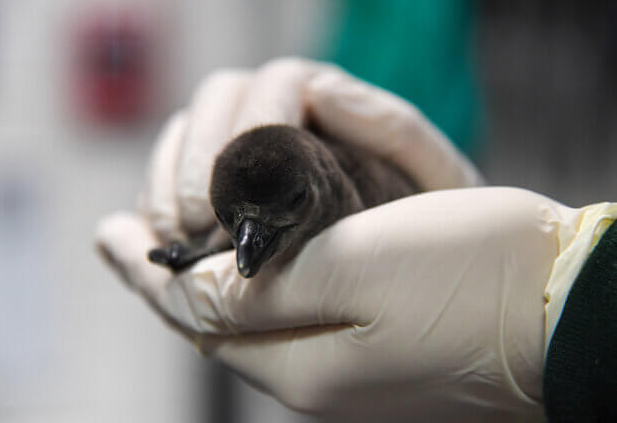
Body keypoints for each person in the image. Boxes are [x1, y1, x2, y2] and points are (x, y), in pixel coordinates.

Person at [96, 58, 617, 422]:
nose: (247, 251)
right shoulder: (277, 206)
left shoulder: (372, 189)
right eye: (235, 225)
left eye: (287, 207)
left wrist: (556, 314)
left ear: (317, 188)